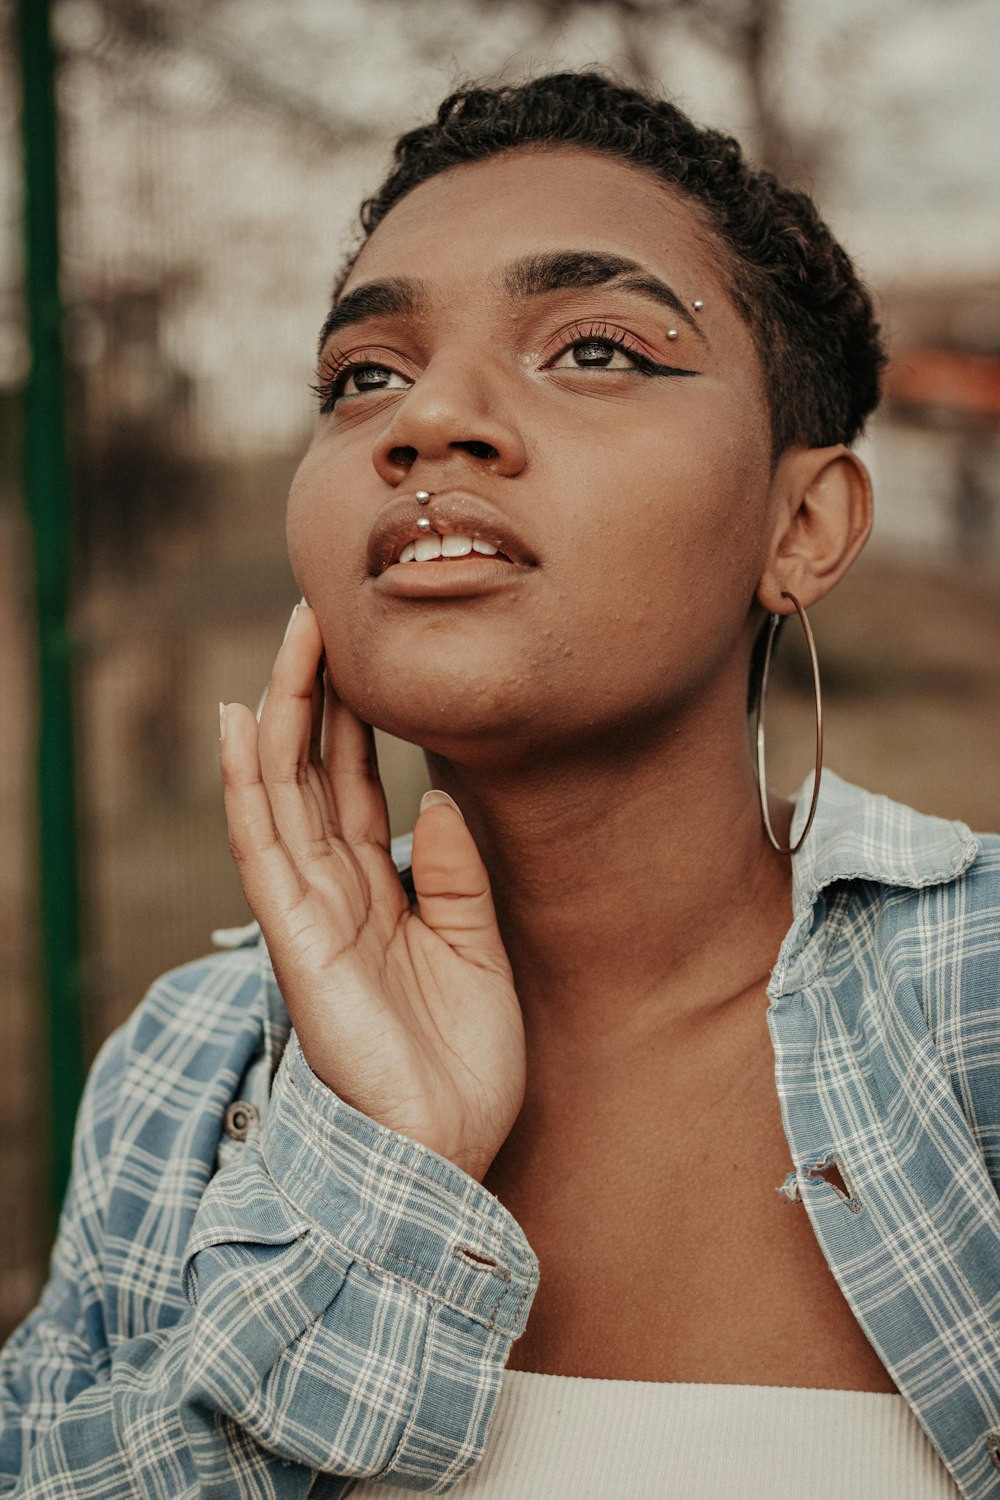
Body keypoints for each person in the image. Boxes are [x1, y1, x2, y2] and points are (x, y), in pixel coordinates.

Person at [2, 70, 999, 1500]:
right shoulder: (194, 1063)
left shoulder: (980, 1003)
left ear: (804, 524)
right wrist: (374, 1184)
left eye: (594, 349)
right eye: (365, 377)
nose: (426, 424)